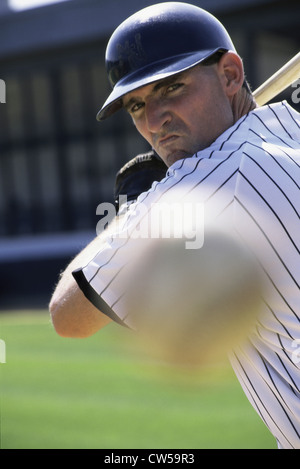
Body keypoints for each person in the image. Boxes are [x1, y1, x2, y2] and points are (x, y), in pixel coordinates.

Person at [49, 3, 300, 449]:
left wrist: (136, 209)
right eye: (137, 104)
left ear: (229, 75)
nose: (153, 120)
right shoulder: (291, 128)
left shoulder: (195, 188)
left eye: (171, 88)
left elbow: (69, 315)